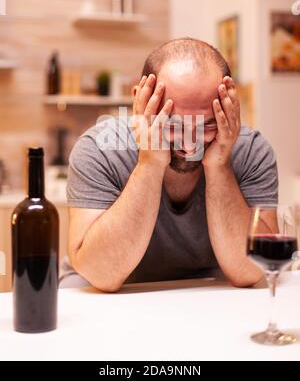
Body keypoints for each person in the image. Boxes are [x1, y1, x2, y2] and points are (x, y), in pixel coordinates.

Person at [63, 38, 278, 292]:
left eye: (207, 125)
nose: (189, 146)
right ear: (140, 101)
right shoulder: (99, 148)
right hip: (104, 293)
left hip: (207, 290)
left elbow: (252, 270)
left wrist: (219, 165)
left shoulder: (252, 151)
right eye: (172, 125)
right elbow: (101, 273)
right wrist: (149, 162)